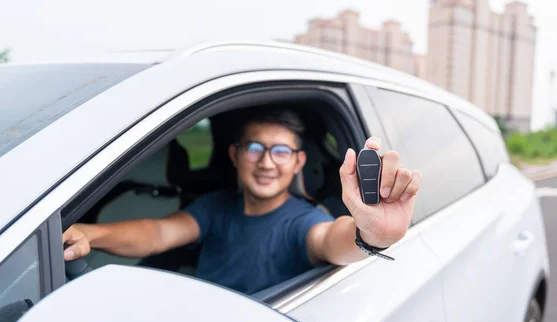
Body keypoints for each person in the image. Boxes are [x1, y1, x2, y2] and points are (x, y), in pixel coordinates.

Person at [62, 109, 422, 295]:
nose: (266, 162)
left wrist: (371, 236)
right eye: (255, 149)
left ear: (298, 162)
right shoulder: (217, 205)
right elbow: (158, 233)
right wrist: (90, 234)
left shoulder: (302, 222)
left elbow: (331, 240)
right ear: (234, 155)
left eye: (281, 152)